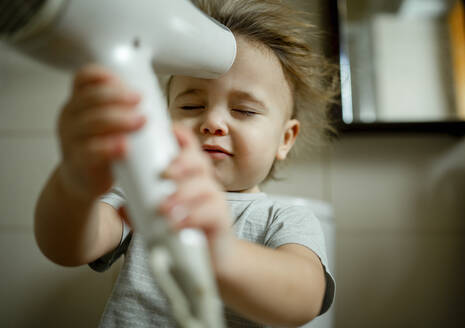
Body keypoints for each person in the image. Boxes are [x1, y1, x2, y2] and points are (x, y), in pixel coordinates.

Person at [34, 0, 338, 327]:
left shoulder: (285, 219)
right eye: (191, 106)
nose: (213, 122)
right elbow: (66, 249)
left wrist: (221, 252)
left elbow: (304, 299)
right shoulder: (147, 193)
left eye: (244, 111)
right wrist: (74, 183)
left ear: (285, 138)